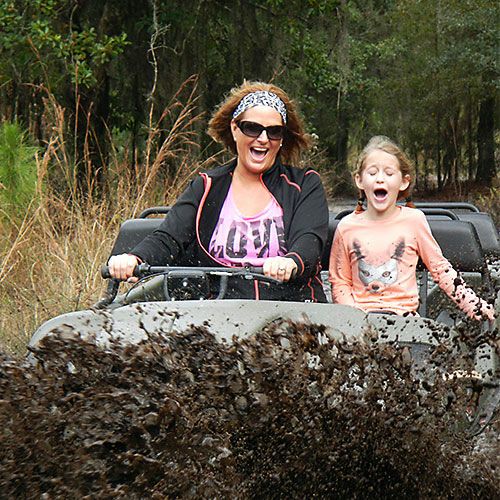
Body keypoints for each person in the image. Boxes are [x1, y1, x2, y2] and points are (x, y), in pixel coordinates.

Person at [109, 81, 329, 302]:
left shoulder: (305, 185)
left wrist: (292, 261)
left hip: (287, 307)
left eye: (274, 131)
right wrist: (135, 258)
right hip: (217, 310)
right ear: (235, 129)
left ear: (281, 139)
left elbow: (309, 240)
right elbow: (169, 237)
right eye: (252, 128)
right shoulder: (206, 187)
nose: (263, 139)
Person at [328, 135, 495, 322]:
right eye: (372, 173)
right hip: (359, 322)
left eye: (389, 173)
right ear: (359, 180)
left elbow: (441, 269)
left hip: (405, 322)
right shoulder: (347, 227)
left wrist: (473, 304)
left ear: (404, 182)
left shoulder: (414, 221)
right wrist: (352, 318)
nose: (380, 179)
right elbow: (340, 282)